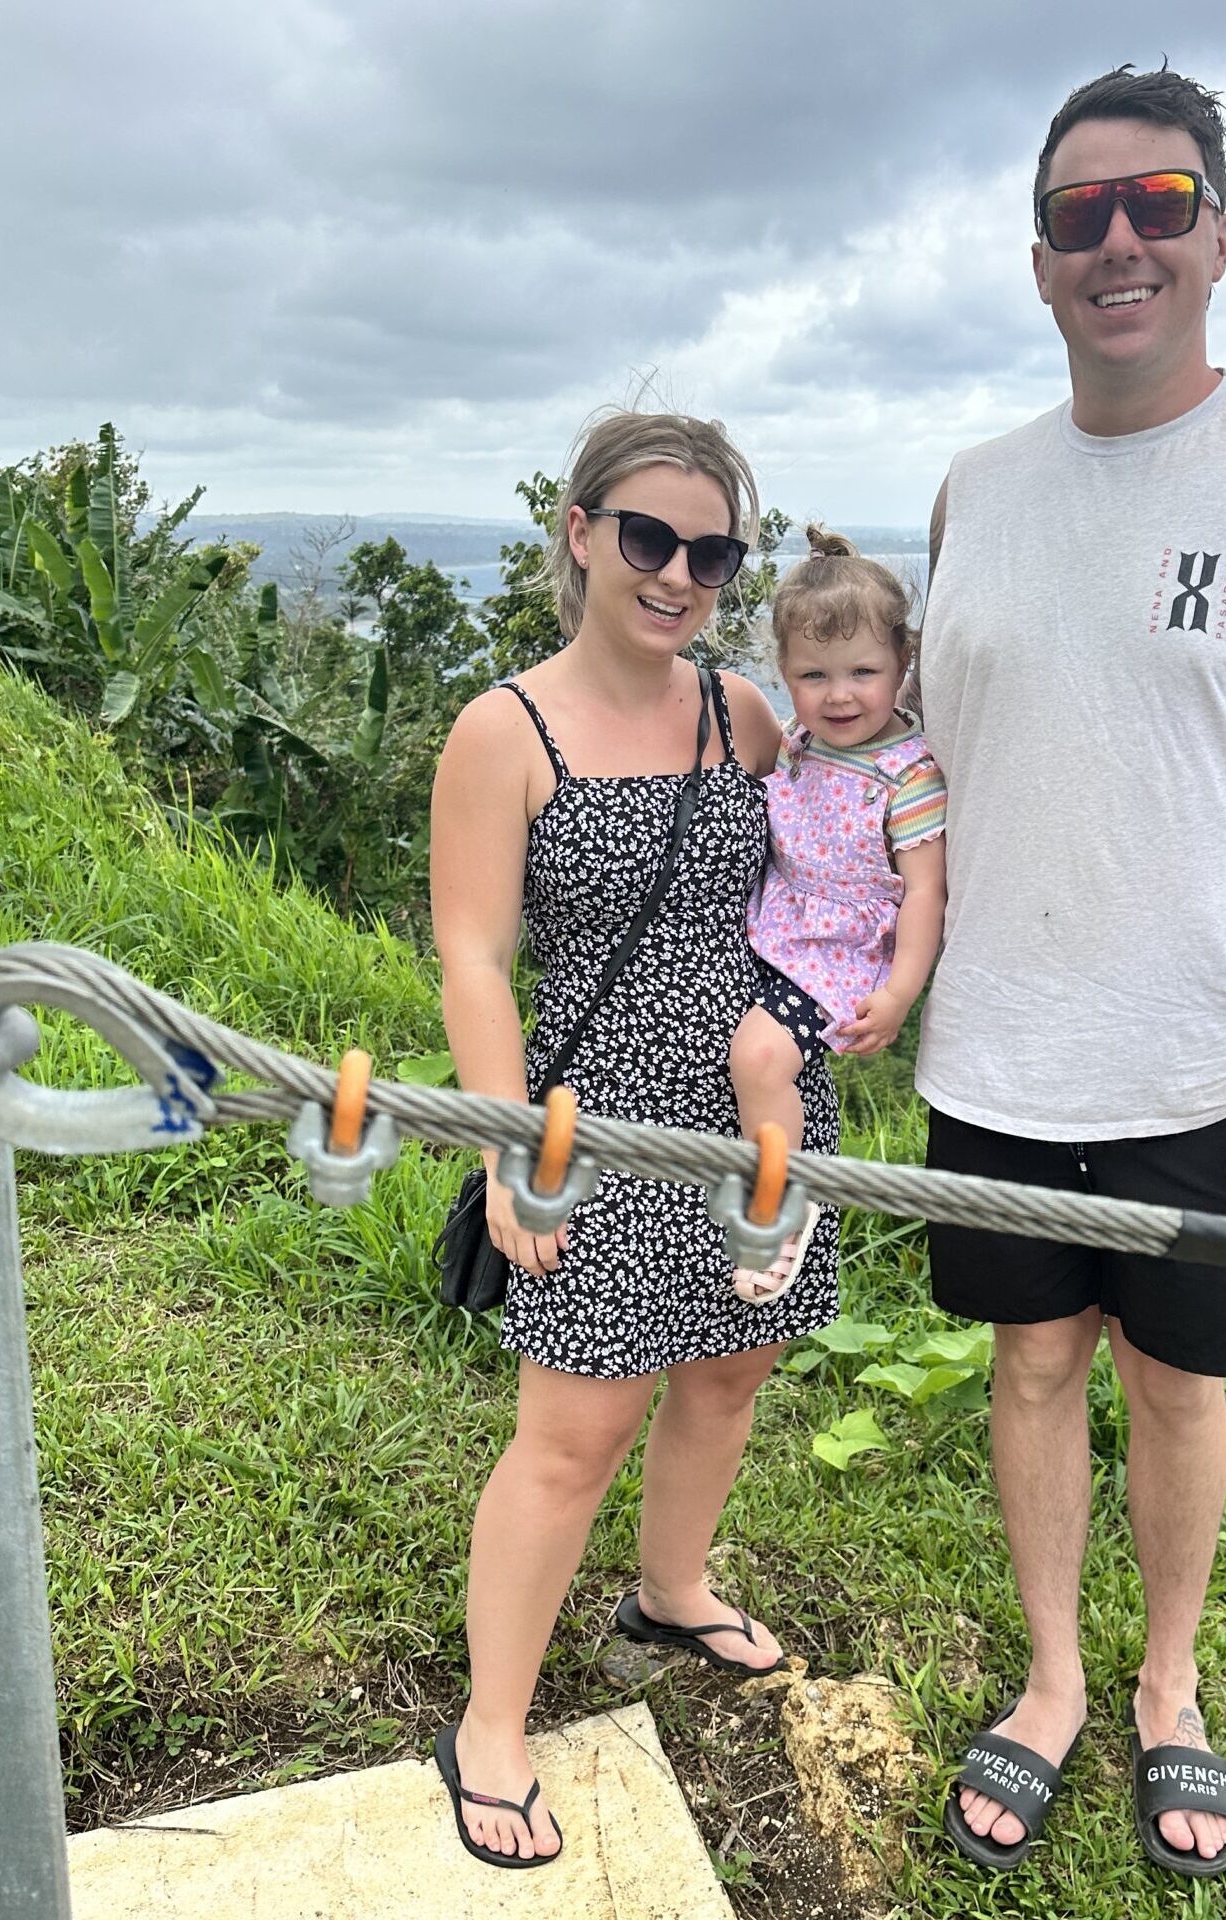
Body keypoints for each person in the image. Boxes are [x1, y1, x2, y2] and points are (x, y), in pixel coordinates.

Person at [917, 64, 1226, 1878]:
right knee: (1031, 1371)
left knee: (1174, 1386)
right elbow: (924, 766)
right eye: (1080, 213)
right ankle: (1053, 1678)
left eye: (1159, 203)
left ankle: (1168, 1687)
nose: (1120, 239)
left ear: (1219, 232)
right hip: (991, 1051)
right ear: (1040, 255)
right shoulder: (973, 490)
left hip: (1208, 1062)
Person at [427, 410, 839, 1869]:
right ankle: (490, 1722)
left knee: (728, 1372)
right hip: (589, 1122)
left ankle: (673, 1586)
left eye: (712, 553)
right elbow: (474, 957)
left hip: (753, 1115)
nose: (678, 575)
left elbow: (827, 873)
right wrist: (504, 1149)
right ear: (583, 531)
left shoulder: (747, 715)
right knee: (575, 1430)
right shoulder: (507, 728)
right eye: (651, 539)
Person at [727, 525, 948, 1300]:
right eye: (814, 675)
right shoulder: (798, 742)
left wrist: (897, 993)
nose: (840, 694)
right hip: (774, 922)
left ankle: (785, 1200)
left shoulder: (908, 775)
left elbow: (925, 892)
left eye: (864, 671)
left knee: (757, 1060)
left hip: (839, 947)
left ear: (901, 666)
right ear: (784, 674)